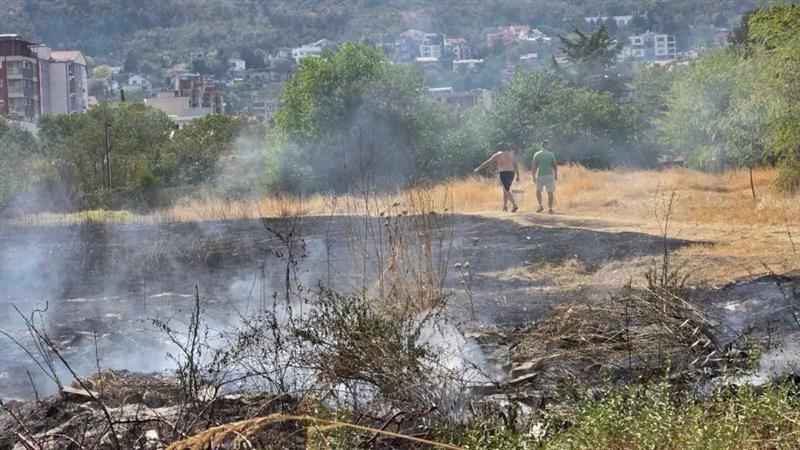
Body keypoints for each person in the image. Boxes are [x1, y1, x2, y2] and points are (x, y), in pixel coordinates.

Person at [532, 139, 558, 214]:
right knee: (550, 192)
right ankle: (550, 208)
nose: (550, 146)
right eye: (549, 144)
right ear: (546, 145)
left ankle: (540, 205)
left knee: (538, 191)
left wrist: (533, 176)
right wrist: (555, 174)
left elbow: (534, 167)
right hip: (549, 174)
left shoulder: (536, 154)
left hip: (540, 175)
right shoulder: (551, 154)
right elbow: (555, 165)